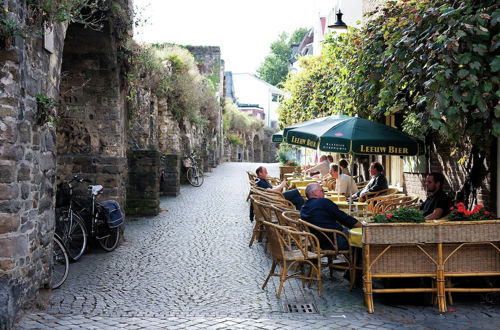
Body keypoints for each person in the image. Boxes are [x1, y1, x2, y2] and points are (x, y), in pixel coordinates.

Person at [301, 183, 362, 250]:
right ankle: (361, 260)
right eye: (322, 191)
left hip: (317, 242)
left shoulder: (304, 207)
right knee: (360, 238)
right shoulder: (323, 202)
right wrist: (361, 225)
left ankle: (353, 258)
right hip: (334, 241)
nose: (324, 193)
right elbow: (344, 218)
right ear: (315, 193)